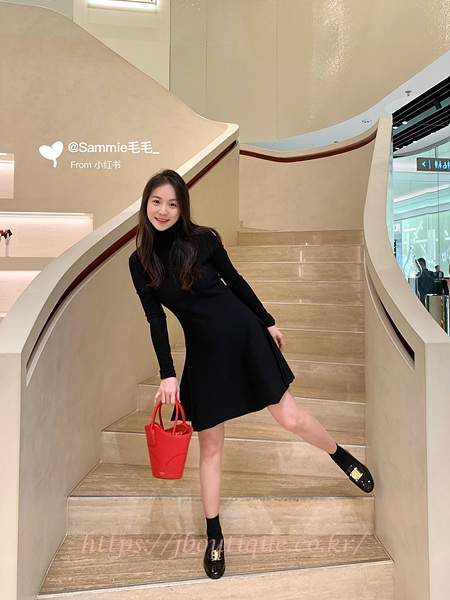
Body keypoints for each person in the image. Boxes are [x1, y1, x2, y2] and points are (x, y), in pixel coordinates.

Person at [129, 169, 374, 580]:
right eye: (157, 202)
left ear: (182, 207)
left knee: (291, 419)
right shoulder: (140, 263)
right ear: (146, 204)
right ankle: (214, 536)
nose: (164, 211)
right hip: (204, 355)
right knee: (210, 448)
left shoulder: (204, 240)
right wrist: (167, 373)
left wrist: (267, 320)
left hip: (244, 336)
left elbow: (235, 281)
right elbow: (156, 318)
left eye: (172, 203)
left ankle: (340, 455)